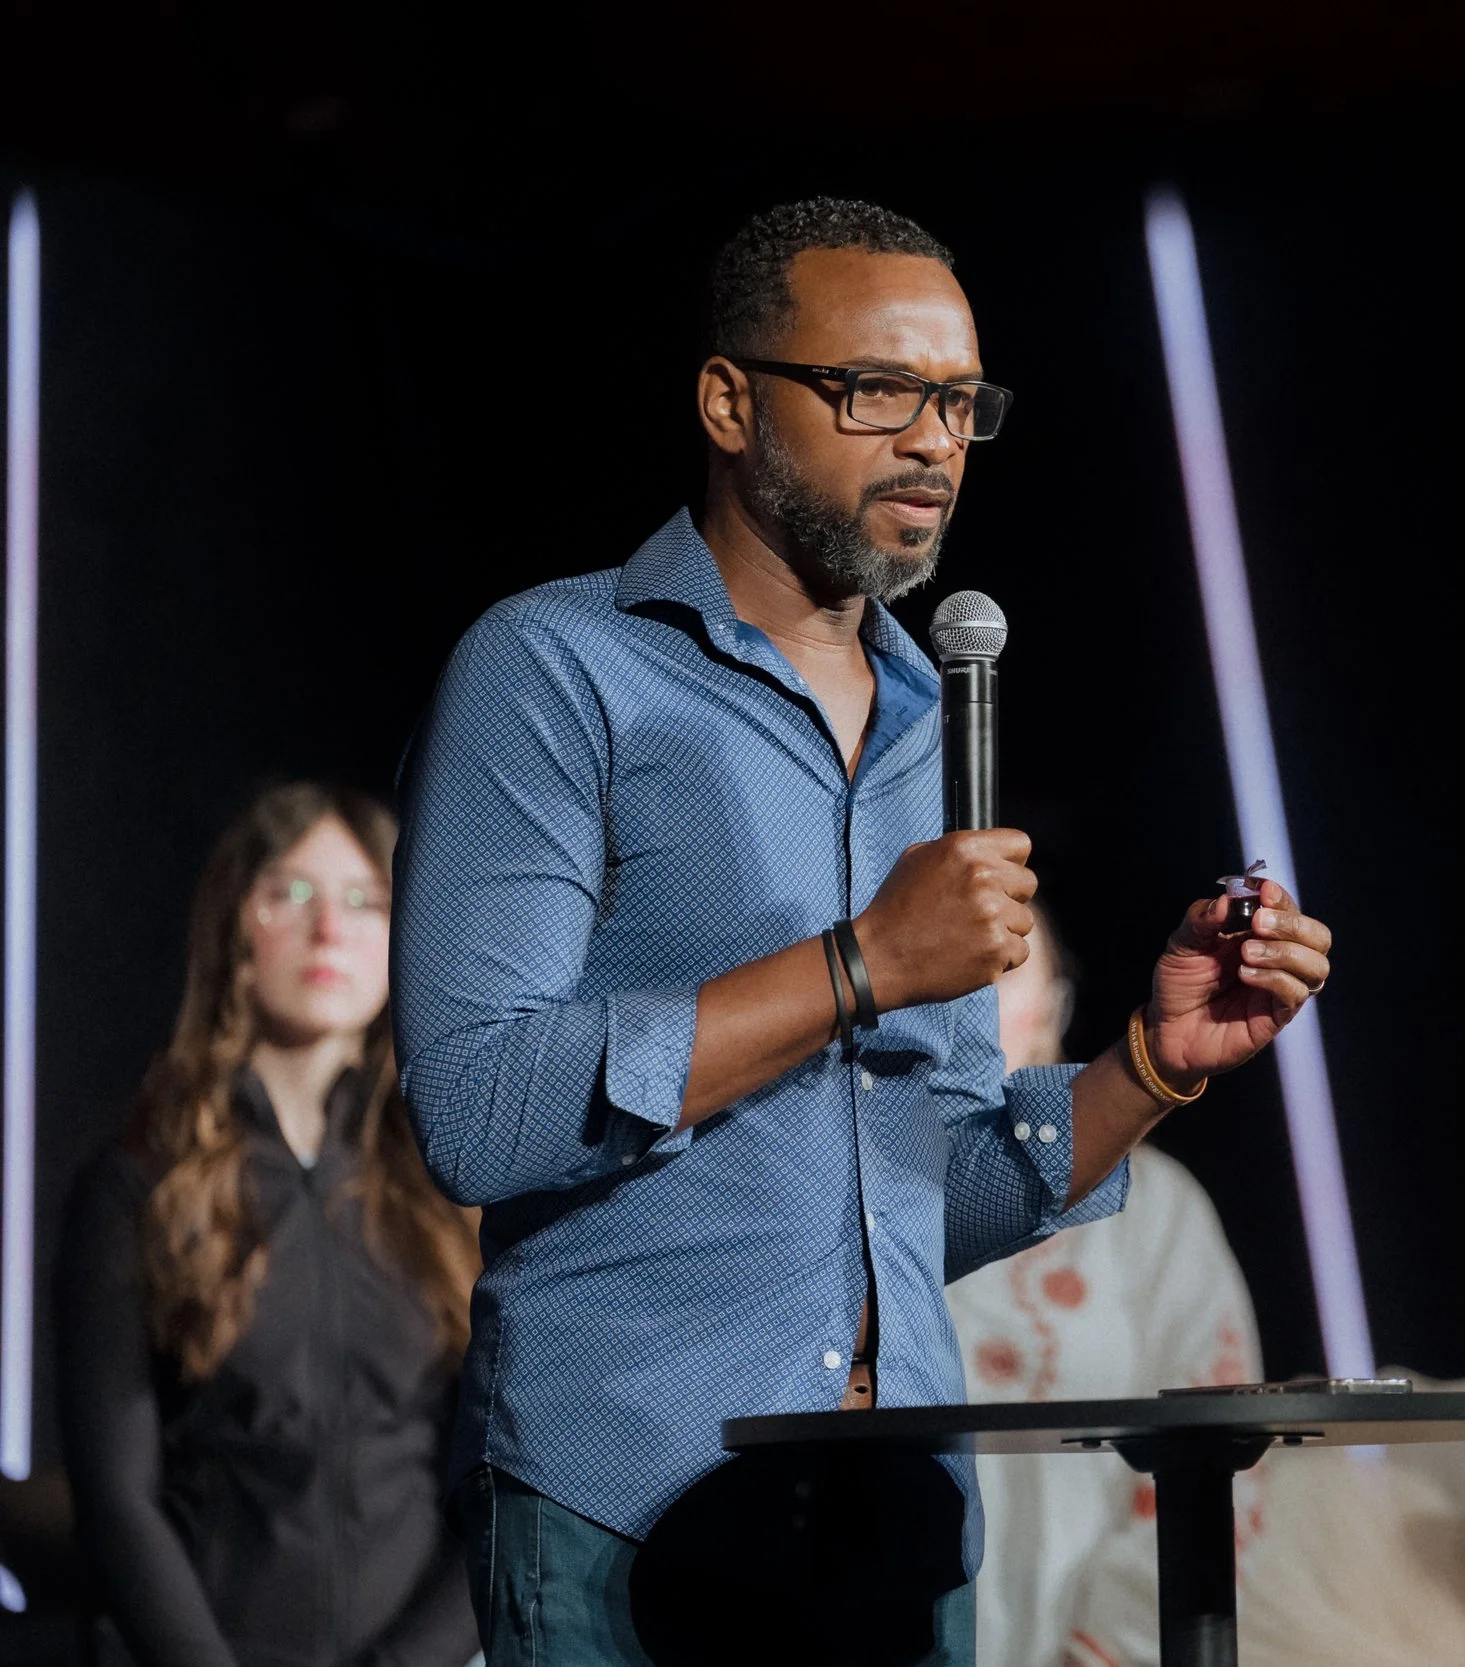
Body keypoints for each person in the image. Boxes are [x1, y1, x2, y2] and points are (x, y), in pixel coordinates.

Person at [390, 197, 1334, 1667]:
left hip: (888, 1516)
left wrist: (1147, 1061)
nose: (934, 442)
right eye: (877, 389)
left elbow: (921, 1199)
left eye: (961, 402)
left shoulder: (927, 726)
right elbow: (476, 1111)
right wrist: (858, 964)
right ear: (726, 399)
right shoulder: (554, 668)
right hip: (627, 1498)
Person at [56, 782, 482, 1667]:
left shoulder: (451, 1184)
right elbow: (116, 1499)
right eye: (292, 893)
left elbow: (502, 1485)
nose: (331, 930)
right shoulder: (143, 1182)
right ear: (233, 933)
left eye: (366, 902)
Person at [946, 905, 1266, 1667]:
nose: (973, 998)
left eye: (1006, 967)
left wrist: (1110, 1651)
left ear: (1054, 1000)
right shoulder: (864, 1199)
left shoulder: (1154, 1207)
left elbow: (1220, 1456)